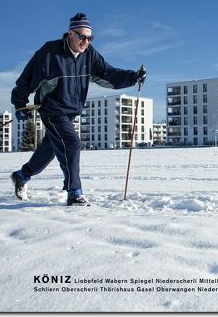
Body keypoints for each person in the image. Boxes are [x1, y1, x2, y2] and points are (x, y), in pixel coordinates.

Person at [11, 13, 147, 206]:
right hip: (51, 108)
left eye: (90, 38)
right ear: (70, 34)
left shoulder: (90, 55)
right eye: (82, 36)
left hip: (71, 112)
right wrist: (20, 104)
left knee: (51, 148)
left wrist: (133, 77)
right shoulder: (50, 53)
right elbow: (26, 79)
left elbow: (108, 74)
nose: (86, 41)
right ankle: (74, 192)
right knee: (72, 143)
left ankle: (22, 175)